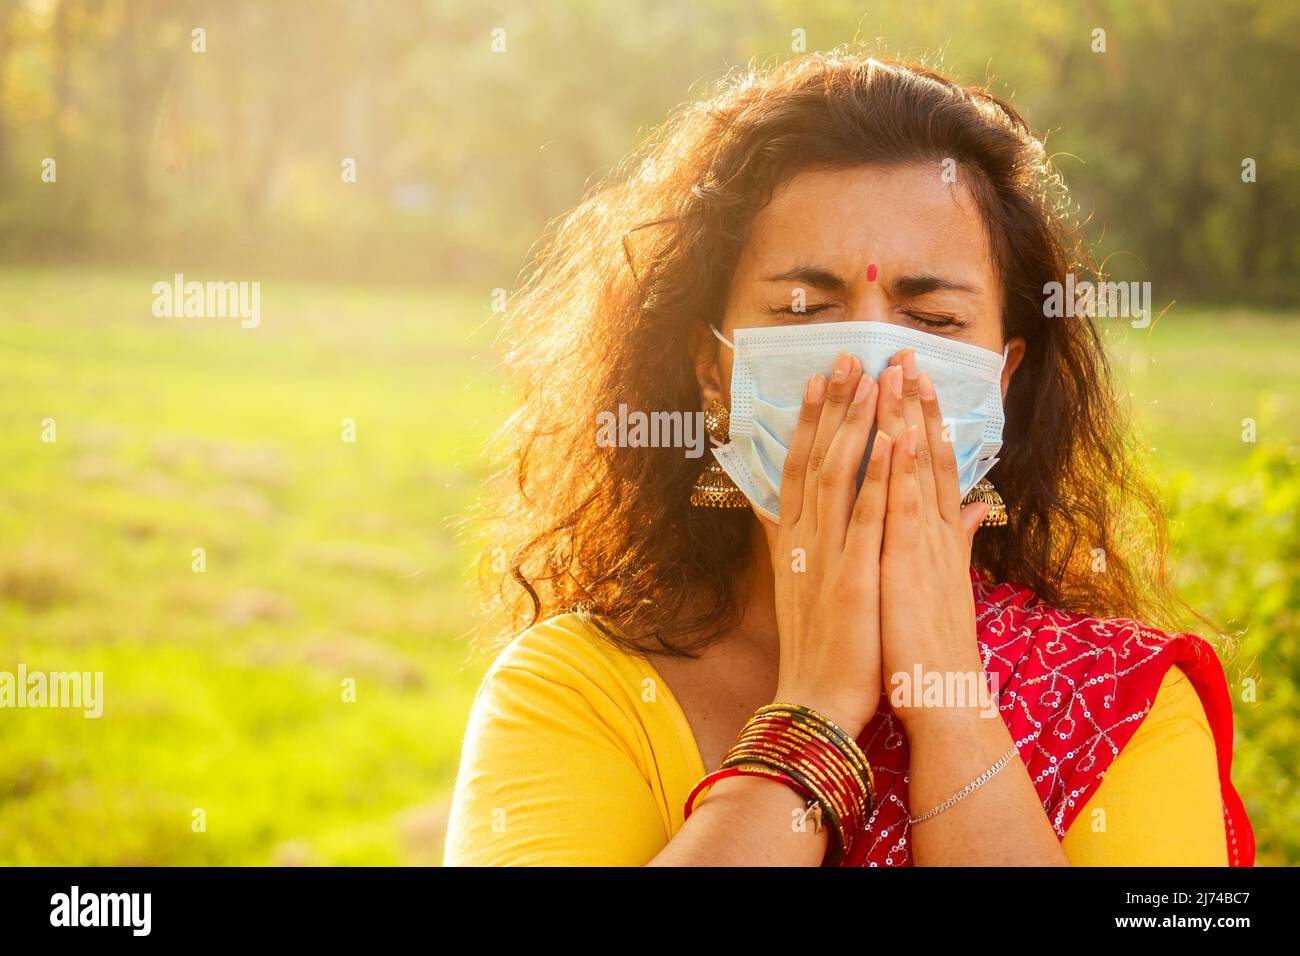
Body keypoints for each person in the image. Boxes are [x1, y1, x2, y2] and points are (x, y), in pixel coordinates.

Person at [444, 52, 1253, 867]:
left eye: (931, 319)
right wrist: (816, 708)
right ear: (713, 370)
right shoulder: (576, 688)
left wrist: (948, 700)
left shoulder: (1116, 701)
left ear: (1002, 379)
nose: (868, 367)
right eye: (805, 308)